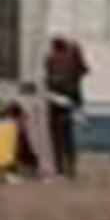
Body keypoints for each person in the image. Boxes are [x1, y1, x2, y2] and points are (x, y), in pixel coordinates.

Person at [43, 32, 91, 179]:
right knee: (68, 138)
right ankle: (70, 168)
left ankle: (60, 169)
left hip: (53, 102)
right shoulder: (72, 59)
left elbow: (47, 78)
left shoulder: (50, 59)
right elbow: (85, 71)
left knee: (56, 138)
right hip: (70, 101)